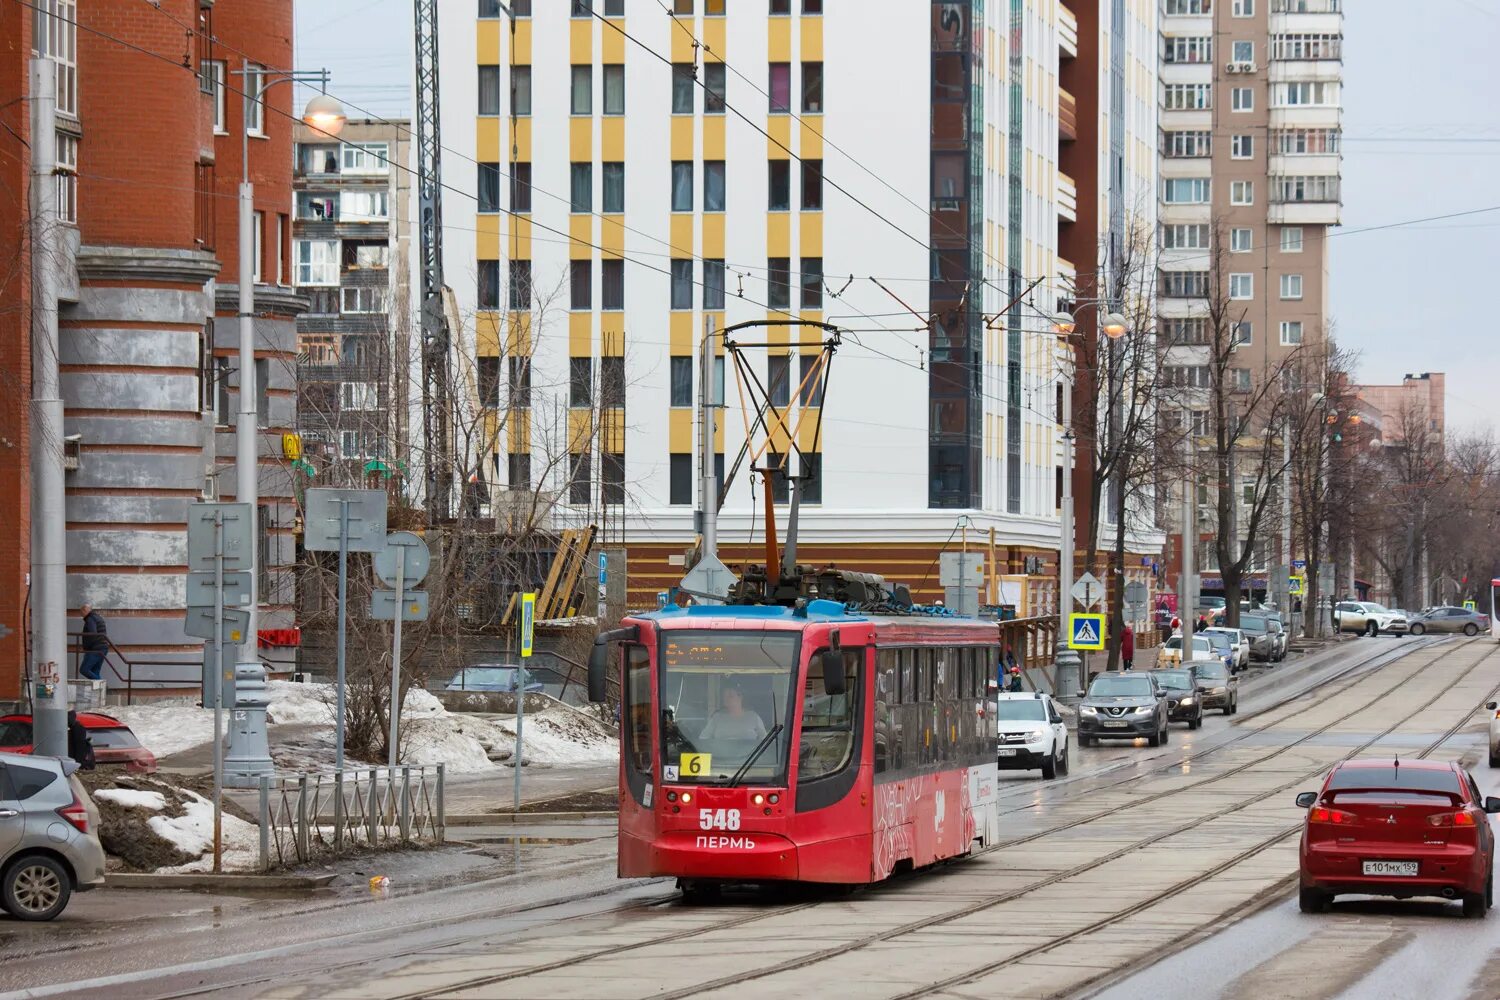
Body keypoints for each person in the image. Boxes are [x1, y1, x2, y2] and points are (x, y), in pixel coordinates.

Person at [699, 684, 768, 742]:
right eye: (724, 696)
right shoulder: (717, 718)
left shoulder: (753, 717)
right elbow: (703, 739)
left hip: (750, 757)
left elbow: (765, 741)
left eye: (730, 696)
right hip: (720, 756)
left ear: (740, 697)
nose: (726, 698)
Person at [79, 603, 107, 681]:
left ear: (85, 610)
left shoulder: (90, 619)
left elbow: (93, 633)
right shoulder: (97, 617)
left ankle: (101, 683)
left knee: (84, 670)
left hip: (95, 648)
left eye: (81, 612)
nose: (81, 615)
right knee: (95, 672)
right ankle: (98, 691)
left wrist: (87, 648)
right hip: (103, 647)